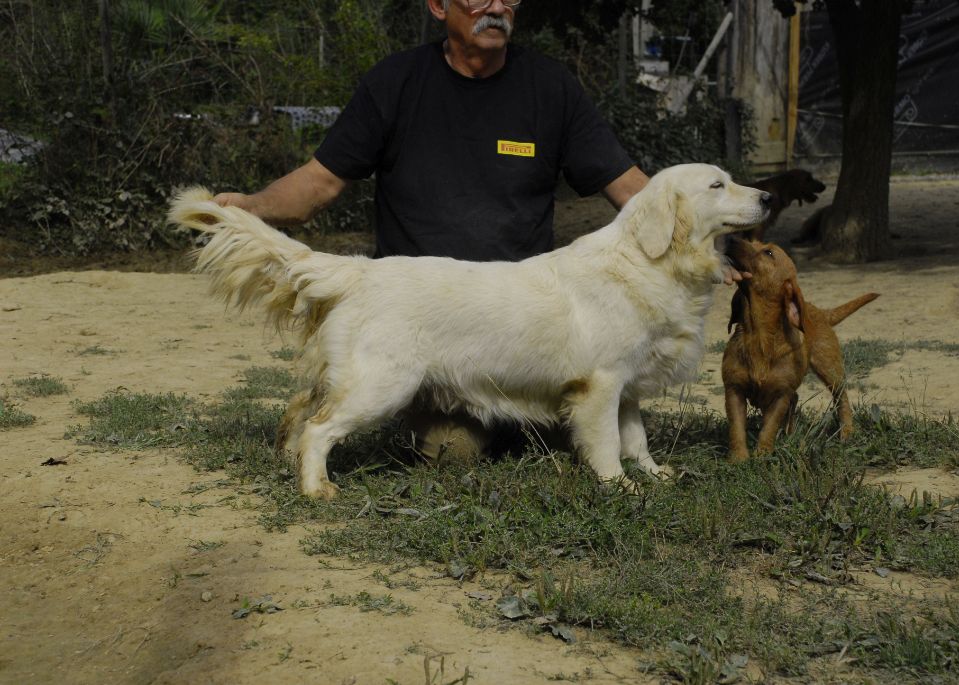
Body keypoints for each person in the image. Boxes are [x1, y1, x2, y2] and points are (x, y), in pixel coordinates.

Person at [214, 0, 744, 462]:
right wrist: (253, 208)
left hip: (526, 327)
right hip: (429, 325)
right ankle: (339, 393)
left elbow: (633, 190)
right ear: (439, 7)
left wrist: (706, 243)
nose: (496, 7)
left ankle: (493, 414)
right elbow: (320, 182)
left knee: (579, 417)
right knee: (454, 454)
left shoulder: (550, 87)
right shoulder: (395, 83)